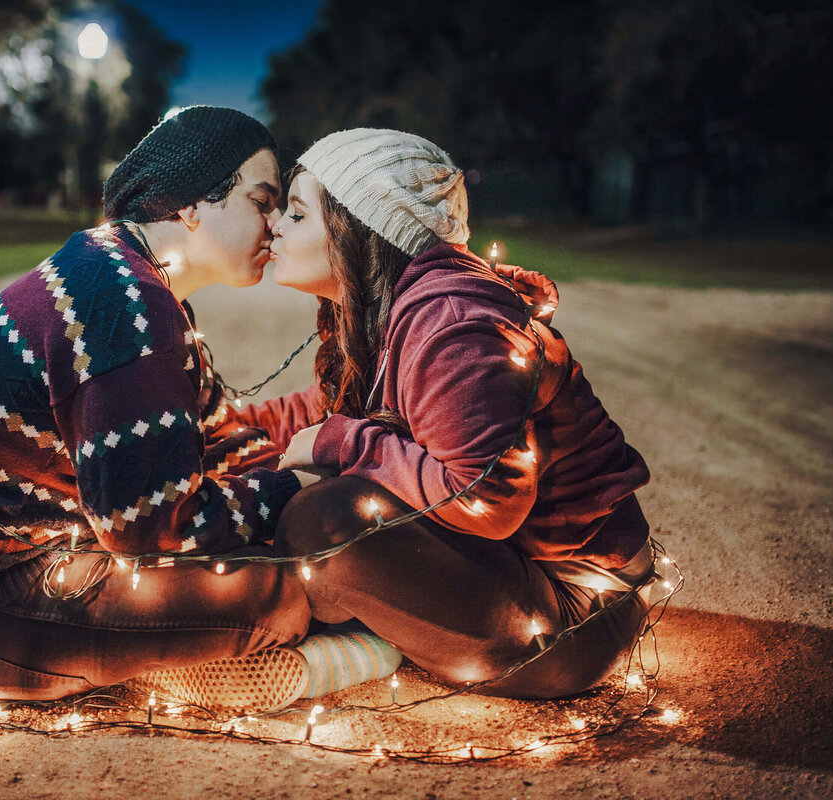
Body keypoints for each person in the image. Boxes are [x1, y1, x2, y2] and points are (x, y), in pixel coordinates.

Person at [0, 107, 395, 710]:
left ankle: (161, 655)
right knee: (280, 593)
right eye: (260, 200)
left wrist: (277, 475)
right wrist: (291, 488)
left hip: (1, 567)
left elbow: (217, 431)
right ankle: (229, 668)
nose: (274, 226)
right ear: (191, 204)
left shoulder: (125, 276)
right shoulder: (122, 305)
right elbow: (150, 530)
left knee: (259, 551)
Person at [242, 128, 656, 698]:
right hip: (511, 574)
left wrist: (342, 442)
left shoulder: (453, 325)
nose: (275, 226)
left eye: (296, 212)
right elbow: (319, 408)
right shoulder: (397, 311)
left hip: (572, 618)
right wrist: (221, 425)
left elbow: (485, 499)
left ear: (361, 229)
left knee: (325, 519)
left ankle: (320, 654)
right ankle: (367, 646)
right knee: (309, 491)